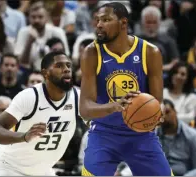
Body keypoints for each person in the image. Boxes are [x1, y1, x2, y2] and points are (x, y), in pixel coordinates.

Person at [79, 2, 171, 176]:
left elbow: (158, 102)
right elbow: (85, 109)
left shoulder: (150, 52)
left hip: (141, 135)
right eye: (97, 20)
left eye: (106, 20)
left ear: (123, 23)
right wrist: (115, 106)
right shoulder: (91, 53)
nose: (99, 25)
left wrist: (157, 113)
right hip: (104, 134)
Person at [0, 51, 80, 176]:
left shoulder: (77, 96)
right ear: (45, 73)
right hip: (8, 167)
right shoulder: (29, 97)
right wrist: (24, 136)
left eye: (68, 65)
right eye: (59, 66)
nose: (66, 69)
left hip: (43, 170)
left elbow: (96, 123)